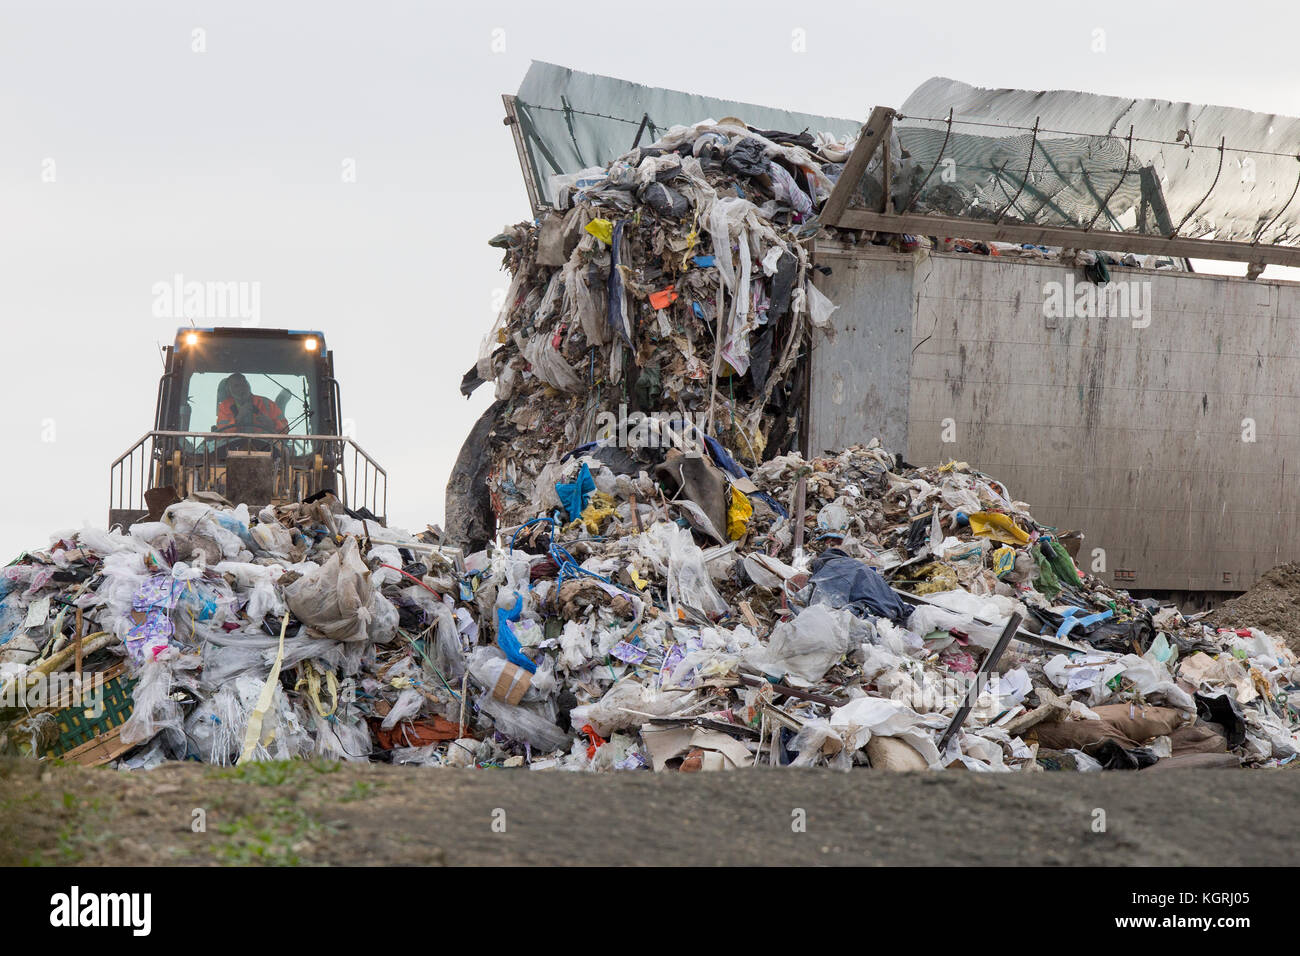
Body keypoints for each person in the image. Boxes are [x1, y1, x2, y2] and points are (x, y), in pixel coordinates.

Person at [215, 373, 288, 434]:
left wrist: (272, 424)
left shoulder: (267, 404)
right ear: (229, 390)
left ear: (248, 386)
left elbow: (285, 430)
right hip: (232, 447)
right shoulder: (224, 407)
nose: (241, 388)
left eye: (244, 384)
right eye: (236, 386)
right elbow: (221, 434)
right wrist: (238, 418)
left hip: (266, 447)